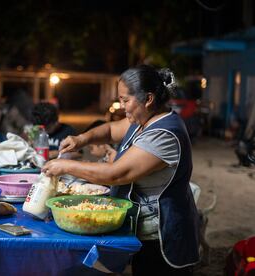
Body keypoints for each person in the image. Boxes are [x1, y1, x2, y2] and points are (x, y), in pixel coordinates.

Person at [42, 65, 200, 275]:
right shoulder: (143, 119)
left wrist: (65, 165)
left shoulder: (164, 134)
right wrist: (81, 139)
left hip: (162, 234)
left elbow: (116, 174)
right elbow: (110, 129)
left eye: (125, 100)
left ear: (149, 99)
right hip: (143, 229)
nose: (121, 105)